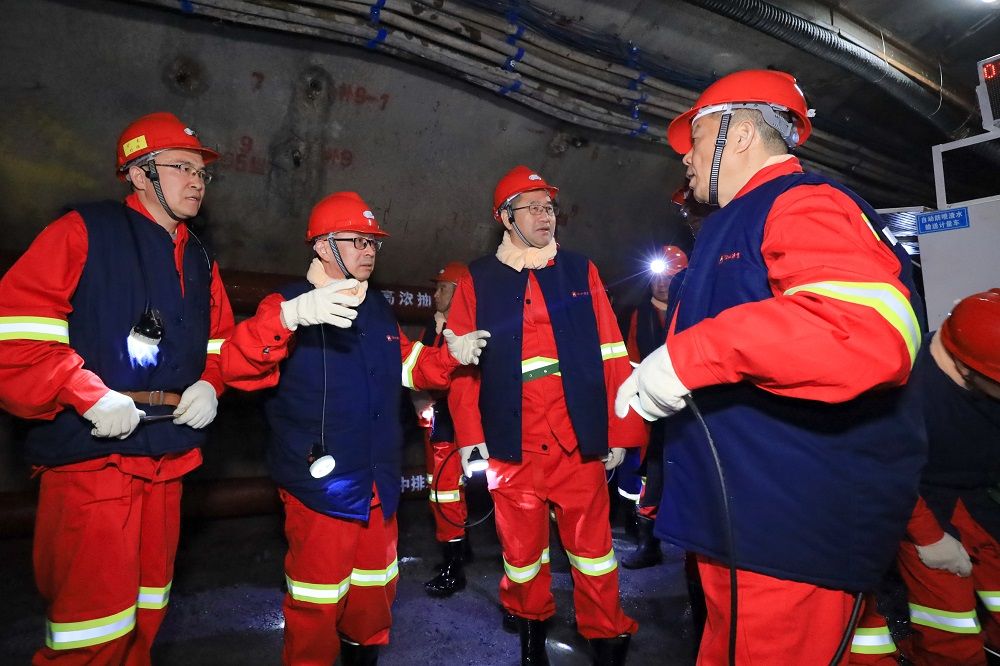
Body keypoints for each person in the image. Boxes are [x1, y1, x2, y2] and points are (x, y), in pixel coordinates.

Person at [615, 69, 927, 664]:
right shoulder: (734, 225)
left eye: (696, 139)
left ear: (737, 136)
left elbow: (863, 332)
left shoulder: (801, 202)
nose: (685, 157)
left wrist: (687, 358)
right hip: (751, 519)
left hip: (784, 529)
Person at [0, 112, 235, 664]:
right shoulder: (83, 231)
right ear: (137, 173)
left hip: (167, 457)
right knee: (92, 630)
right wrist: (86, 393)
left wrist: (211, 383)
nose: (197, 181)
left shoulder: (199, 257)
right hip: (94, 463)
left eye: (201, 172)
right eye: (181, 167)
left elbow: (221, 341)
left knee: (147, 614)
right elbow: (16, 333)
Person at [219, 192, 489, 665]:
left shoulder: (376, 308)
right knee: (317, 602)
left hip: (376, 484)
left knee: (373, 595)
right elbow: (237, 367)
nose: (369, 251)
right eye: (357, 241)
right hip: (319, 491)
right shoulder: (286, 304)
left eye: (373, 243)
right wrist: (289, 318)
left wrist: (451, 355)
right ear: (323, 246)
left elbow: (409, 366)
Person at [447, 166, 647, 666]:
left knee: (594, 553)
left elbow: (612, 353)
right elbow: (462, 365)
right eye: (532, 208)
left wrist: (619, 431)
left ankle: (606, 636)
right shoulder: (477, 278)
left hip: (576, 438)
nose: (545, 216)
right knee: (520, 555)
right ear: (504, 218)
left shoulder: (581, 271)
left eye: (549, 208)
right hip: (510, 441)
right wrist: (470, 435)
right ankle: (531, 636)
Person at [893, 289, 1000, 665]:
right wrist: (930, 538)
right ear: (968, 369)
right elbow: (892, 476)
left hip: (973, 493)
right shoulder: (904, 393)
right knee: (948, 619)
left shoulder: (985, 374)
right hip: (918, 505)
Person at [618, 244, 688, 570]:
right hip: (652, 409)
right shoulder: (640, 314)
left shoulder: (692, 309)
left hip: (688, 410)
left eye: (669, 277)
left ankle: (694, 550)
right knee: (651, 473)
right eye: (657, 278)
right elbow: (631, 359)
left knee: (688, 475)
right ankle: (649, 543)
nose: (661, 284)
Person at [414, 261, 475, 597]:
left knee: (446, 492)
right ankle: (459, 551)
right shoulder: (435, 325)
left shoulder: (467, 331)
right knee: (442, 491)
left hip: (453, 424)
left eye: (442, 288)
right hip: (436, 421)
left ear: (460, 291)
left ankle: (454, 569)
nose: (435, 294)